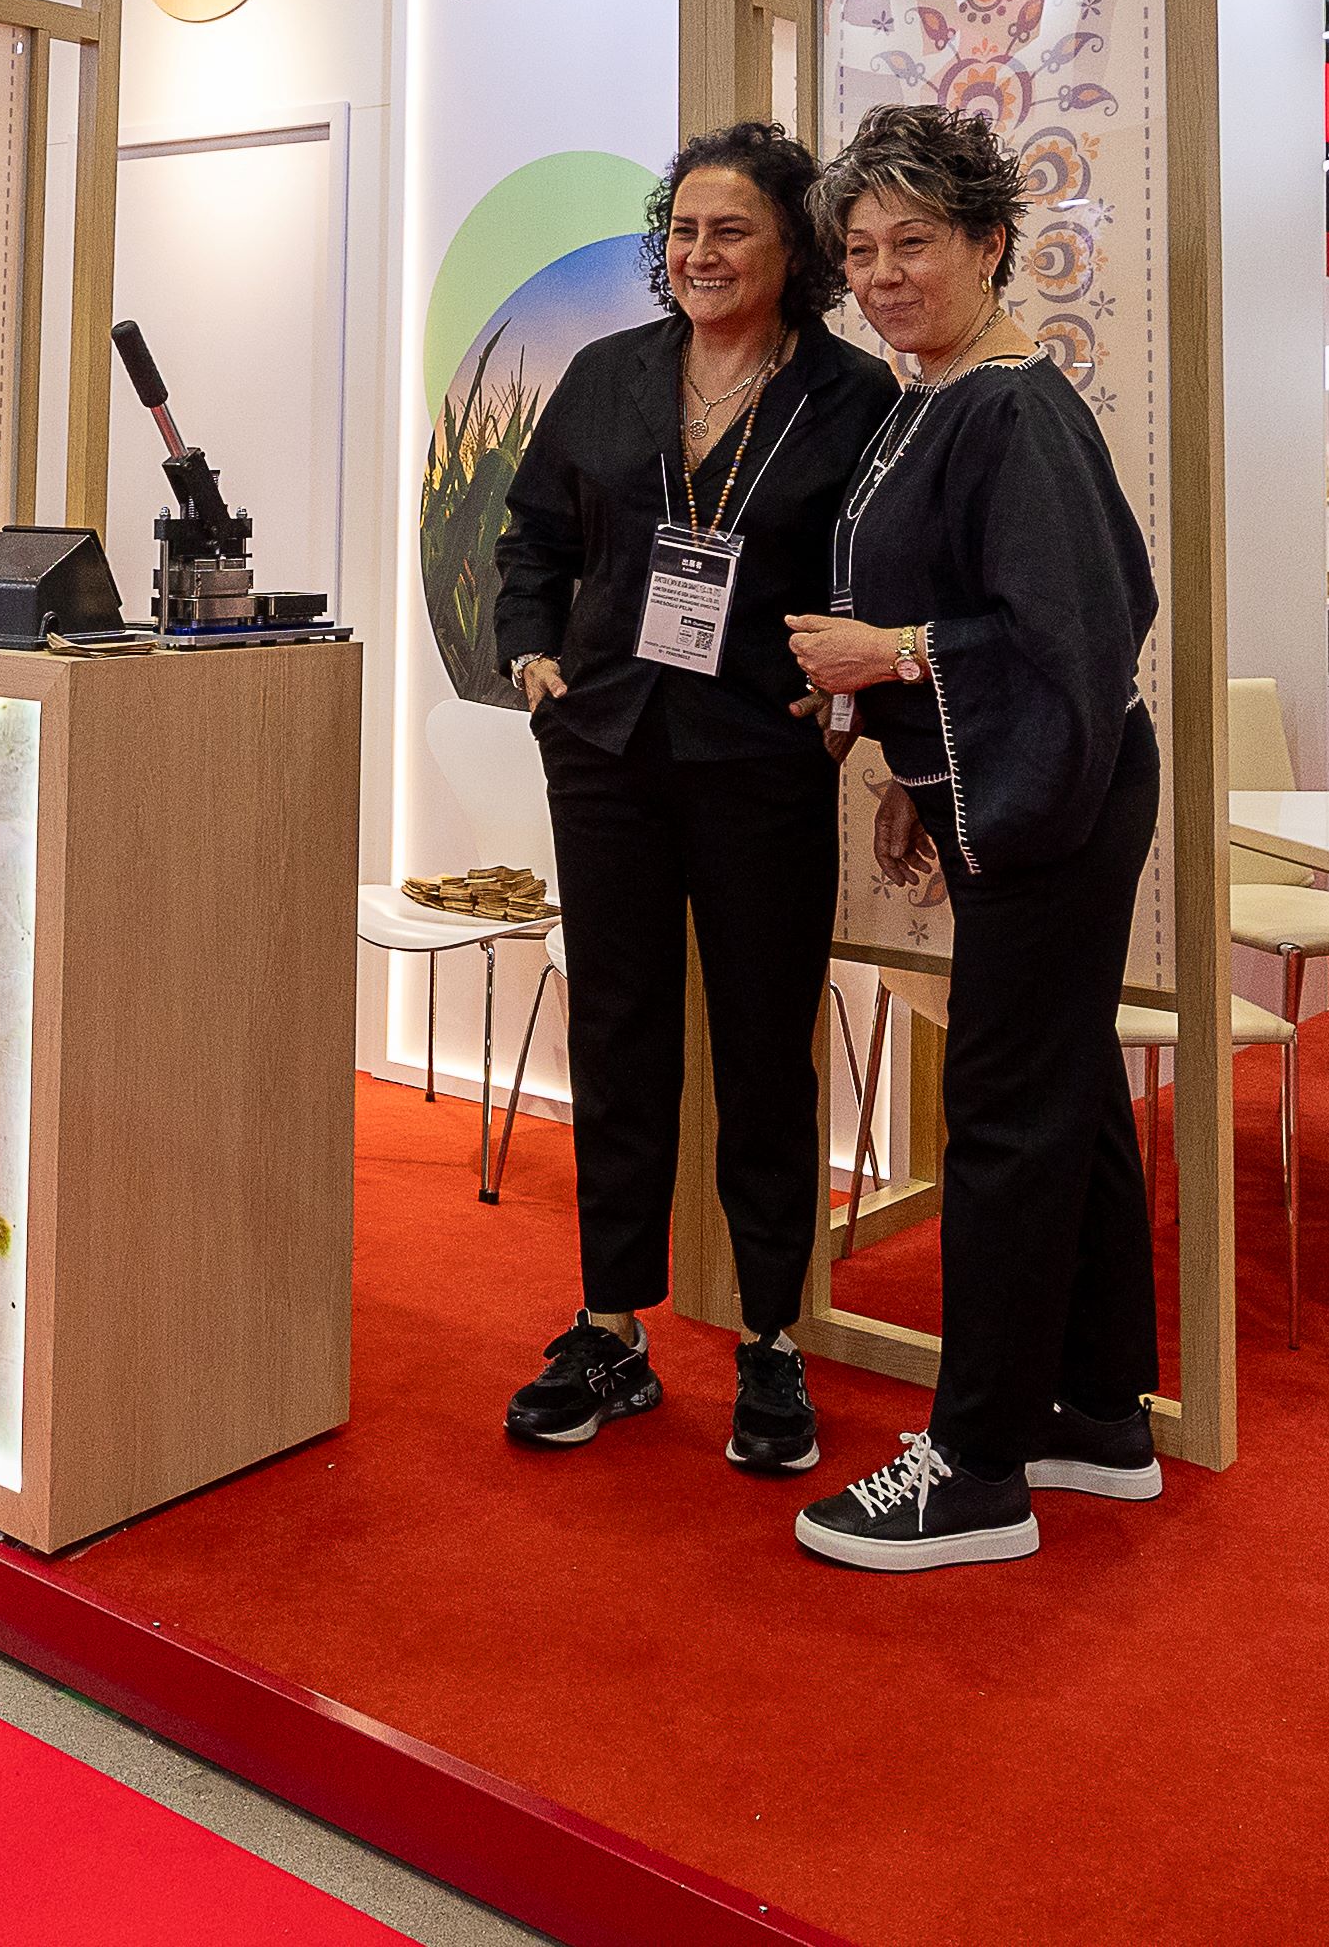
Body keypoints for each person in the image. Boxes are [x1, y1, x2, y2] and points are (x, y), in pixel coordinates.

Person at [780, 102, 1162, 1574]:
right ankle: (1098, 1412)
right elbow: (977, 618)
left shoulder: (1013, 409)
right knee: (1066, 1090)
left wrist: (890, 659)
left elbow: (1080, 637)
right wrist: (908, 764)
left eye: (915, 243)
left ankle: (978, 1465)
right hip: (1008, 784)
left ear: (992, 242)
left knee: (1004, 1114)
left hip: (1058, 799)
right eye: (861, 249)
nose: (881, 275)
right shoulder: (935, 396)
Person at [489, 123, 895, 1477]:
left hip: (760, 754)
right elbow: (531, 536)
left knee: (766, 1042)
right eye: (683, 230)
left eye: (732, 230)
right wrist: (532, 656)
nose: (700, 253)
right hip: (605, 742)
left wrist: (852, 705)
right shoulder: (608, 374)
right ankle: (612, 1325)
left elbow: (887, 572)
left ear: (795, 249)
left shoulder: (852, 395)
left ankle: (772, 1337)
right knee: (617, 1032)